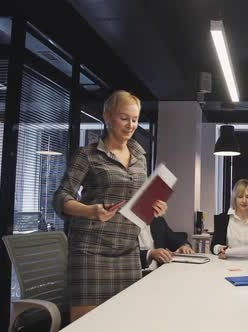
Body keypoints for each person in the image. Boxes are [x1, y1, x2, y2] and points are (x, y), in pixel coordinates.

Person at [53, 90, 167, 321]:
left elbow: (137, 200)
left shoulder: (140, 156)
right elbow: (60, 197)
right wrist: (90, 211)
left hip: (127, 251)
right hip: (90, 252)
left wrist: (155, 207)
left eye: (135, 119)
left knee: (127, 320)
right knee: (86, 324)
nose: (130, 125)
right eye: (124, 118)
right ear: (107, 116)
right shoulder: (87, 155)